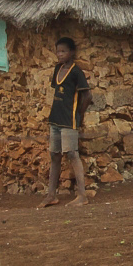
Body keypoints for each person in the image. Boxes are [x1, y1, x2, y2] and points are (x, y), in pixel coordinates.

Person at [40, 36, 92, 208]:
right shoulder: (57, 69)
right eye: (58, 51)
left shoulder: (76, 73)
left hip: (69, 120)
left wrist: (79, 115)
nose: (60, 54)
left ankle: (82, 195)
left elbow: (87, 96)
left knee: (72, 154)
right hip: (55, 119)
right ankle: (51, 195)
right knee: (55, 155)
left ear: (71, 52)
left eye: (63, 51)